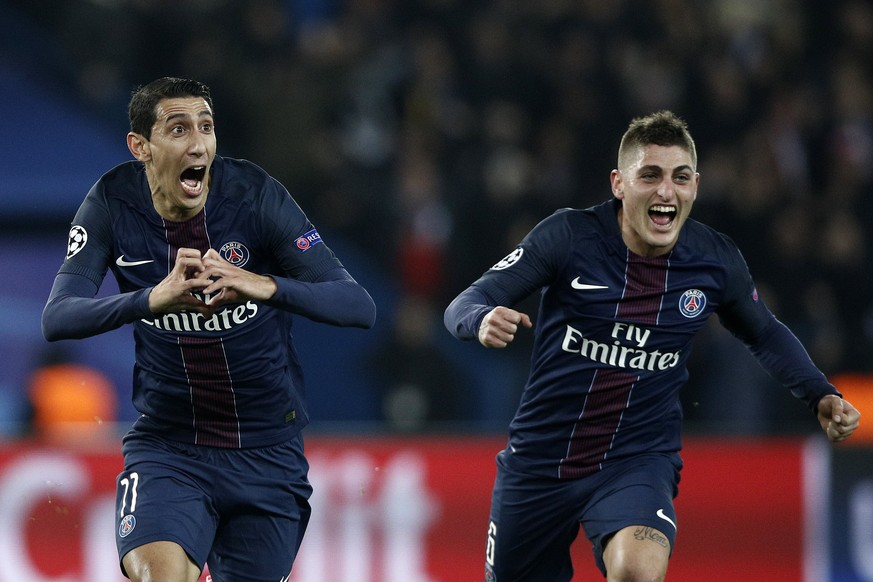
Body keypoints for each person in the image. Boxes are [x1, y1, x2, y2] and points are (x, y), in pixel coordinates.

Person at [443, 110, 861, 582]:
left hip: (636, 458)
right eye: (651, 175)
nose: (666, 192)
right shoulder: (569, 237)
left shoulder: (714, 261)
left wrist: (818, 392)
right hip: (541, 459)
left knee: (638, 571)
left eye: (680, 178)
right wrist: (480, 319)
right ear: (619, 184)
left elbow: (763, 331)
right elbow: (468, 300)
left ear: (696, 186)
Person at [42, 77, 376, 582]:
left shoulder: (255, 196)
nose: (198, 144)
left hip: (268, 449)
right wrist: (153, 298)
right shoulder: (112, 203)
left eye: (206, 127)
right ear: (141, 147)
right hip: (170, 446)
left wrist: (263, 285)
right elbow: (58, 316)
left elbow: (357, 305)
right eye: (178, 129)